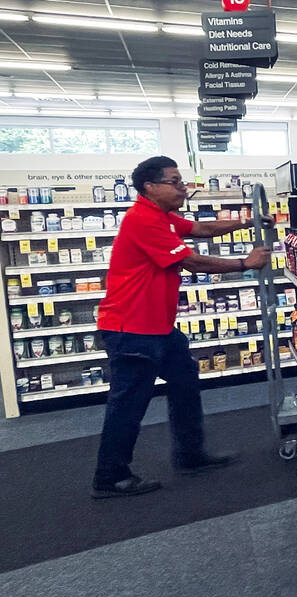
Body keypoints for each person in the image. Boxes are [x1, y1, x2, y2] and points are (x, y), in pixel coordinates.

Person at [92, 156, 272, 498]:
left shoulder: (163, 217)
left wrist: (247, 221)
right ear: (150, 186)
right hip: (131, 329)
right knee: (128, 403)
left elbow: (202, 229)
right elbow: (189, 260)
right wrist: (244, 263)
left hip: (159, 328)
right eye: (174, 182)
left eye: (181, 181)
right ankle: (109, 477)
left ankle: (190, 455)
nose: (182, 188)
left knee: (185, 383)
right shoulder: (142, 220)